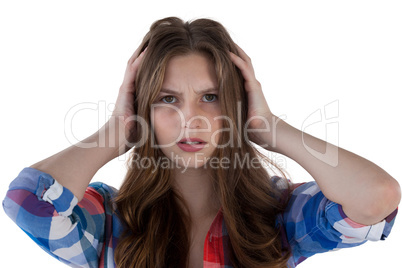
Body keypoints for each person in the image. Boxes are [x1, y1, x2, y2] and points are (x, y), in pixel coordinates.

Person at [3, 16, 400, 268]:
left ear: (236, 105)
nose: (190, 119)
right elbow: (26, 203)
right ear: (145, 110)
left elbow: (377, 197)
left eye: (210, 97)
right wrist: (118, 127)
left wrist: (272, 128)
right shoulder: (109, 220)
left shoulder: (277, 217)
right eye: (167, 99)